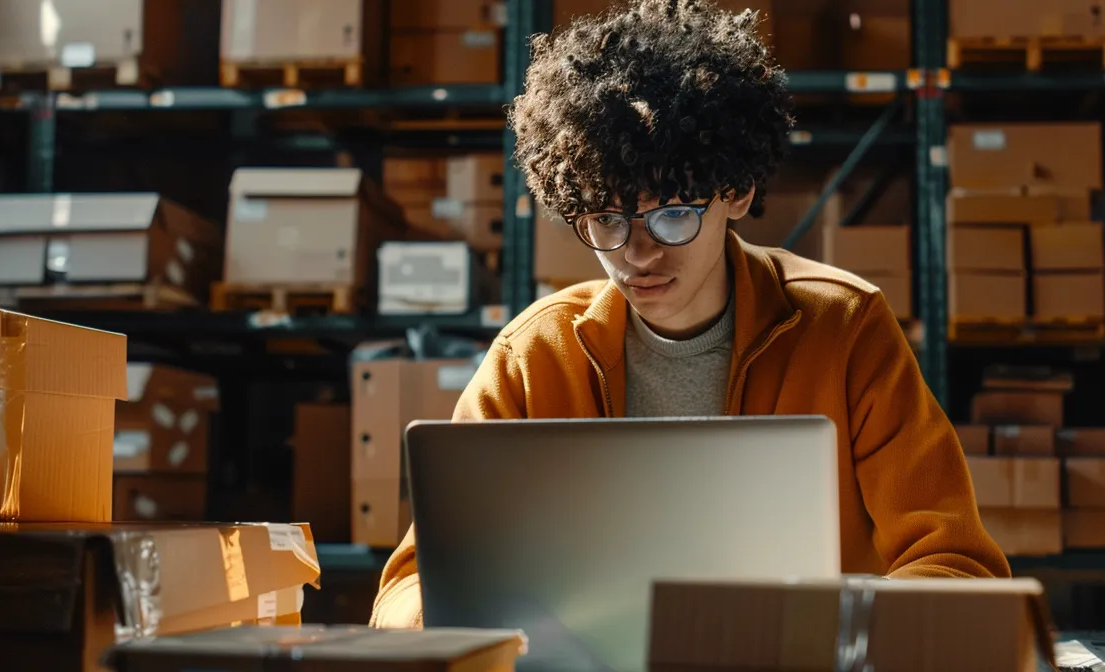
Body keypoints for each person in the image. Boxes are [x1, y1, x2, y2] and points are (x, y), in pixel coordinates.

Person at [369, 0, 1010, 628]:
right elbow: (410, 584)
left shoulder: (844, 329)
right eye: (606, 219)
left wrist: (841, 638)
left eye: (672, 215)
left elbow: (955, 561)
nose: (638, 255)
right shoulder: (532, 359)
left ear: (736, 193)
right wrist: (465, 622)